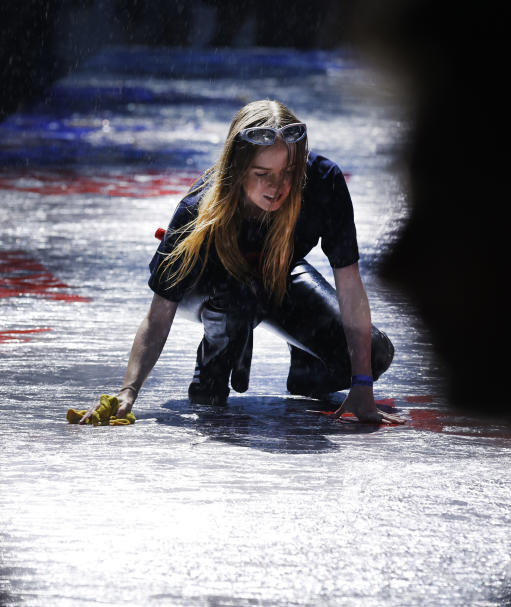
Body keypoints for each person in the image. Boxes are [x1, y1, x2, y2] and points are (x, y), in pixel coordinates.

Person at [80, 100, 394, 424]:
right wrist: (128, 391)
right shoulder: (197, 210)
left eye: (289, 172)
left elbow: (350, 286)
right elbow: (158, 316)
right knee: (238, 298)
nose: (277, 187)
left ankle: (308, 369)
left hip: (275, 274)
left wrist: (362, 384)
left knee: (375, 353)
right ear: (238, 170)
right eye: (262, 174)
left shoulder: (322, 182)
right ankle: (210, 375)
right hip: (209, 288)